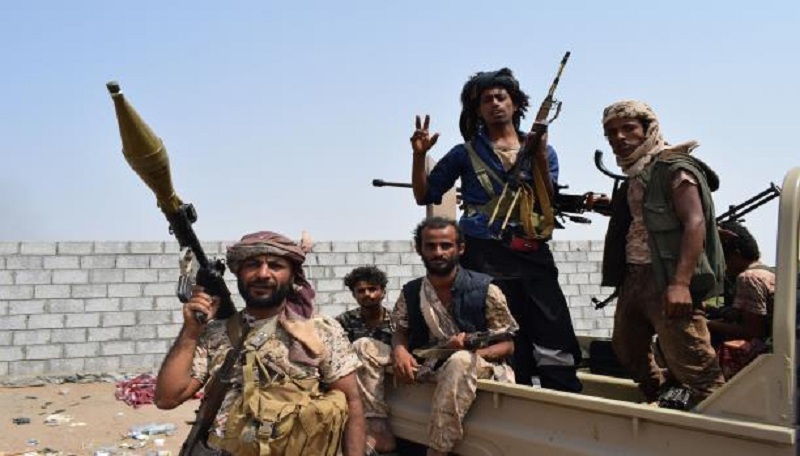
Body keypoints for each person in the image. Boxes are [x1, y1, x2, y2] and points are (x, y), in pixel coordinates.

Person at [409, 68, 582, 392]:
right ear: (477, 110)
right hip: (483, 254)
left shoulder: (542, 150)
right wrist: (419, 156)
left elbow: (547, 199)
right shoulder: (465, 153)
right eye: (486, 100)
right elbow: (425, 194)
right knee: (497, 329)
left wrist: (539, 156)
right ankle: (512, 392)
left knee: (551, 325)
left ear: (515, 103)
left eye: (500, 97)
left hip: (530, 251)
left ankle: (563, 392)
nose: (494, 104)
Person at [154, 231, 366, 456]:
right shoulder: (215, 333)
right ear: (239, 273)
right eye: (253, 265)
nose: (263, 274)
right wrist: (191, 331)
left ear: (292, 276)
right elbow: (167, 398)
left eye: (275, 266)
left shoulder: (320, 331)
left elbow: (351, 403)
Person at [599, 100, 726, 408]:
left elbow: (694, 223)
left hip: (666, 275)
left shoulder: (674, 168)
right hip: (634, 275)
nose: (619, 137)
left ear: (648, 129)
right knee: (627, 348)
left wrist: (680, 283)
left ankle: (719, 420)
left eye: (628, 128)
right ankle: (664, 402)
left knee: (693, 362)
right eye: (611, 132)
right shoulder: (637, 173)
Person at [391, 217, 519, 456]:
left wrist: (471, 351)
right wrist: (399, 351)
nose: (438, 252)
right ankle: (376, 427)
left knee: (460, 361)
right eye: (431, 246)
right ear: (419, 249)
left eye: (446, 245)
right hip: (428, 364)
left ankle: (438, 448)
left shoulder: (485, 289)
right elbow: (400, 331)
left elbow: (507, 344)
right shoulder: (411, 292)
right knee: (365, 347)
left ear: (460, 248)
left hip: (476, 365)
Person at [335, 266, 396, 455]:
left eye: (372, 289)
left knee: (363, 345)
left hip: (389, 376)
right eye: (361, 291)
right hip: (355, 382)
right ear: (354, 295)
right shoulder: (344, 321)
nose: (367, 294)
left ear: (383, 292)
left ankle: (377, 429)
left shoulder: (396, 322)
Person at [707, 221, 775, 378]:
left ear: (735, 254)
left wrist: (706, 324)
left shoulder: (748, 278)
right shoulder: (768, 272)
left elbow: (753, 331)